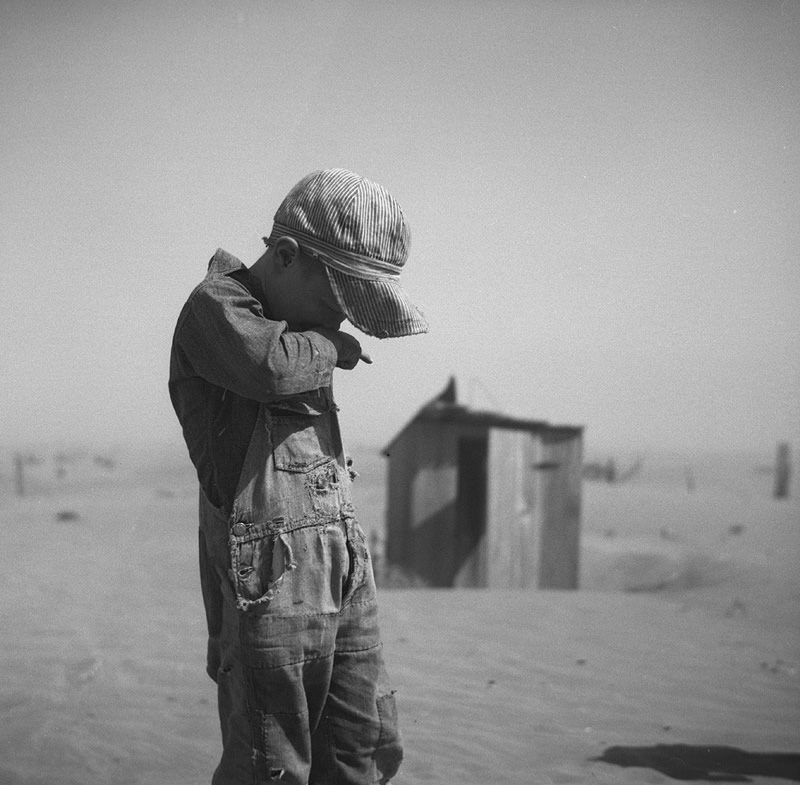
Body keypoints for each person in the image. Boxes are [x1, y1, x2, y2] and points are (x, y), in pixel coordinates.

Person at [168, 168, 428, 784]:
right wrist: (332, 347)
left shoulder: (293, 327)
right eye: (336, 300)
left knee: (361, 740)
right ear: (285, 257)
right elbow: (269, 368)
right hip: (270, 578)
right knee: (272, 755)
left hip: (340, 563)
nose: (342, 322)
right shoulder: (218, 307)